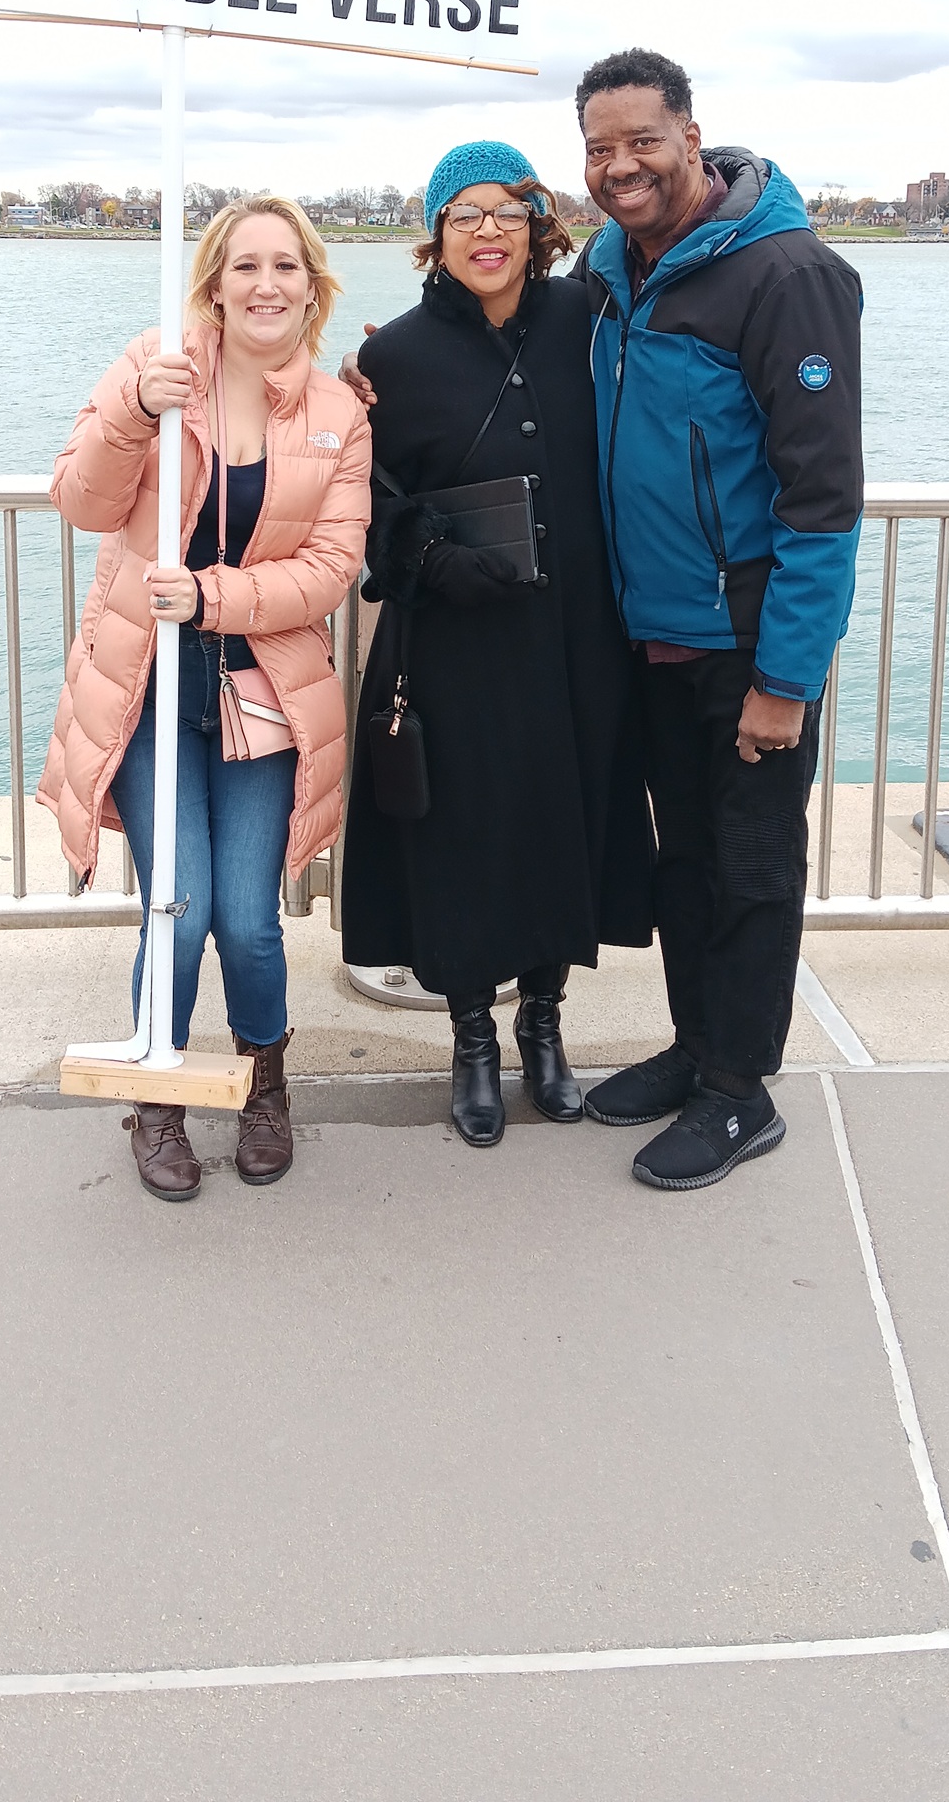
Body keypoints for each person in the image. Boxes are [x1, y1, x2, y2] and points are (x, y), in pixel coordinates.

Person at [570, 48, 864, 1190]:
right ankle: (698, 1048)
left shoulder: (787, 275)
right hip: (650, 638)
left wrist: (786, 682)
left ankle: (742, 1092)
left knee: (750, 867)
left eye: (643, 141)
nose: (622, 166)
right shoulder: (610, 268)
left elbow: (823, 502)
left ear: (692, 138)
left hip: (744, 643)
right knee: (684, 863)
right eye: (600, 148)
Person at [39, 198, 371, 1202]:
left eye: (286, 266)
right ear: (215, 285)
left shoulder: (337, 414)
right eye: (245, 266)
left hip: (260, 697)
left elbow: (333, 568)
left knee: (251, 922)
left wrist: (214, 597)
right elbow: (82, 501)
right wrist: (136, 412)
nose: (266, 284)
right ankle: (161, 1094)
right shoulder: (157, 368)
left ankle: (265, 1085)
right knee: (176, 913)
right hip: (149, 693)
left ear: (311, 287)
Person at [340, 141, 655, 1147]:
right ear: (436, 233)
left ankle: (544, 1028)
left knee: (565, 827)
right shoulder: (390, 359)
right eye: (465, 213)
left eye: (508, 212)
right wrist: (433, 559)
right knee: (464, 842)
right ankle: (472, 1040)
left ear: (537, 227)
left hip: (576, 637)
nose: (488, 231)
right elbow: (368, 505)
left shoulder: (587, 319)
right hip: (452, 645)